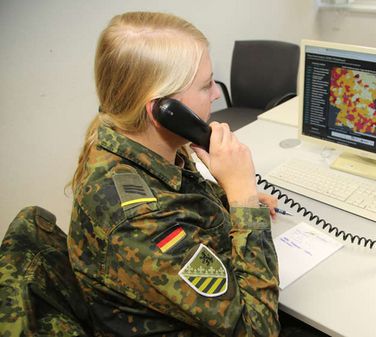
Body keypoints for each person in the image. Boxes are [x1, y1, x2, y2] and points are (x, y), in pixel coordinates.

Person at [68, 12, 281, 336]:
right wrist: (243, 198)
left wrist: (231, 200)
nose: (216, 95)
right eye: (206, 84)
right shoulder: (141, 223)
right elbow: (258, 330)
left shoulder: (140, 143)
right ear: (164, 111)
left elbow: (183, 199)